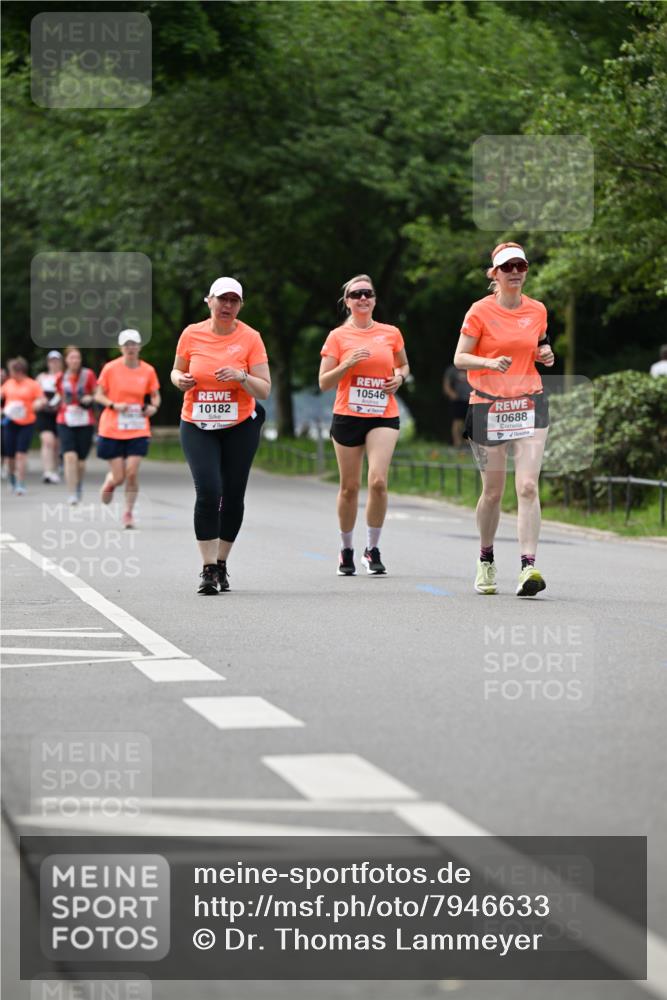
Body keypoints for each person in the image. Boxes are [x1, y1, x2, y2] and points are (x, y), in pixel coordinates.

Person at [453, 242, 555, 597]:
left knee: (527, 486)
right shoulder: (479, 312)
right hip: (488, 406)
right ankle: (486, 558)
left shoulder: (538, 310)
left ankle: (528, 567)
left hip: (529, 403)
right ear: (494, 274)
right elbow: (460, 358)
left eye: (520, 266)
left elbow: (540, 346)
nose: (515, 271)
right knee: (493, 493)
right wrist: (488, 363)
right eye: (507, 266)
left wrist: (546, 354)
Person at [171, 277, 271, 595]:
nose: (227, 306)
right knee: (209, 491)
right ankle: (208, 569)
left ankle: (222, 562)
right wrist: (180, 380)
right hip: (198, 423)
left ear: (240, 305)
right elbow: (175, 371)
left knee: (233, 495)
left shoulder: (250, 338)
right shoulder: (191, 333)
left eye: (234, 301)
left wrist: (242, 376)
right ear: (209, 301)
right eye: (222, 299)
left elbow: (265, 389)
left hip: (239, 424)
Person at [319, 274, 410, 577]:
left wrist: (399, 377)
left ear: (374, 299)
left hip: (383, 413)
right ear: (347, 302)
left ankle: (372, 550)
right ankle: (346, 549)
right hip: (348, 414)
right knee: (349, 488)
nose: (362, 299)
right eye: (356, 294)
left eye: (367, 294)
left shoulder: (391, 333)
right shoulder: (337, 337)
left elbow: (403, 365)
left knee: (378, 482)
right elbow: (323, 382)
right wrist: (346, 365)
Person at [94, 330, 161, 529]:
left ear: (139, 347)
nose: (130, 348)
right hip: (112, 427)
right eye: (126, 344)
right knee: (120, 476)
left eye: (134, 344)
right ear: (121, 347)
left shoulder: (148, 370)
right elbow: (98, 395)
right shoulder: (110, 368)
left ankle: (128, 513)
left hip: (137, 427)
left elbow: (155, 395)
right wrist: (114, 405)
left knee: (132, 472)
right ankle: (112, 481)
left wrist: (153, 407)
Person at [55, 346, 97, 505]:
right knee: (69, 456)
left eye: (77, 358)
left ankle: (78, 484)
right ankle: (72, 492)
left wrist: (89, 398)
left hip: (85, 420)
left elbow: (97, 393)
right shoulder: (60, 377)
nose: (75, 361)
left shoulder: (89, 375)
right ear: (66, 360)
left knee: (80, 461)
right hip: (65, 420)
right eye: (71, 358)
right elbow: (56, 396)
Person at [0, 357, 46, 495]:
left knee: (21, 454)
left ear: (18, 371)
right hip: (10, 423)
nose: (10, 373)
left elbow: (41, 399)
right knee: (10, 456)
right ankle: (12, 477)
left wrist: (38, 404)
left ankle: (20, 482)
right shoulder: (8, 384)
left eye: (11, 371)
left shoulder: (31, 384)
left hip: (27, 423)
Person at [36, 350, 64, 483]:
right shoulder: (42, 377)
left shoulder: (64, 376)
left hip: (59, 412)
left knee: (56, 444)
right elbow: (35, 393)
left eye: (56, 360)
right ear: (48, 363)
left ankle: (56, 467)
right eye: (51, 361)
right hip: (44, 412)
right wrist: (40, 400)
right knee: (48, 441)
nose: (54, 363)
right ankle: (48, 471)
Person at [442, 363, 471, 448]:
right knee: (457, 421)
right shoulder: (452, 370)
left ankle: (468, 443)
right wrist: (452, 394)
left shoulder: (471, 367)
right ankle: (457, 443)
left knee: (470, 422)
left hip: (471, 399)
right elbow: (446, 384)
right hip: (458, 400)